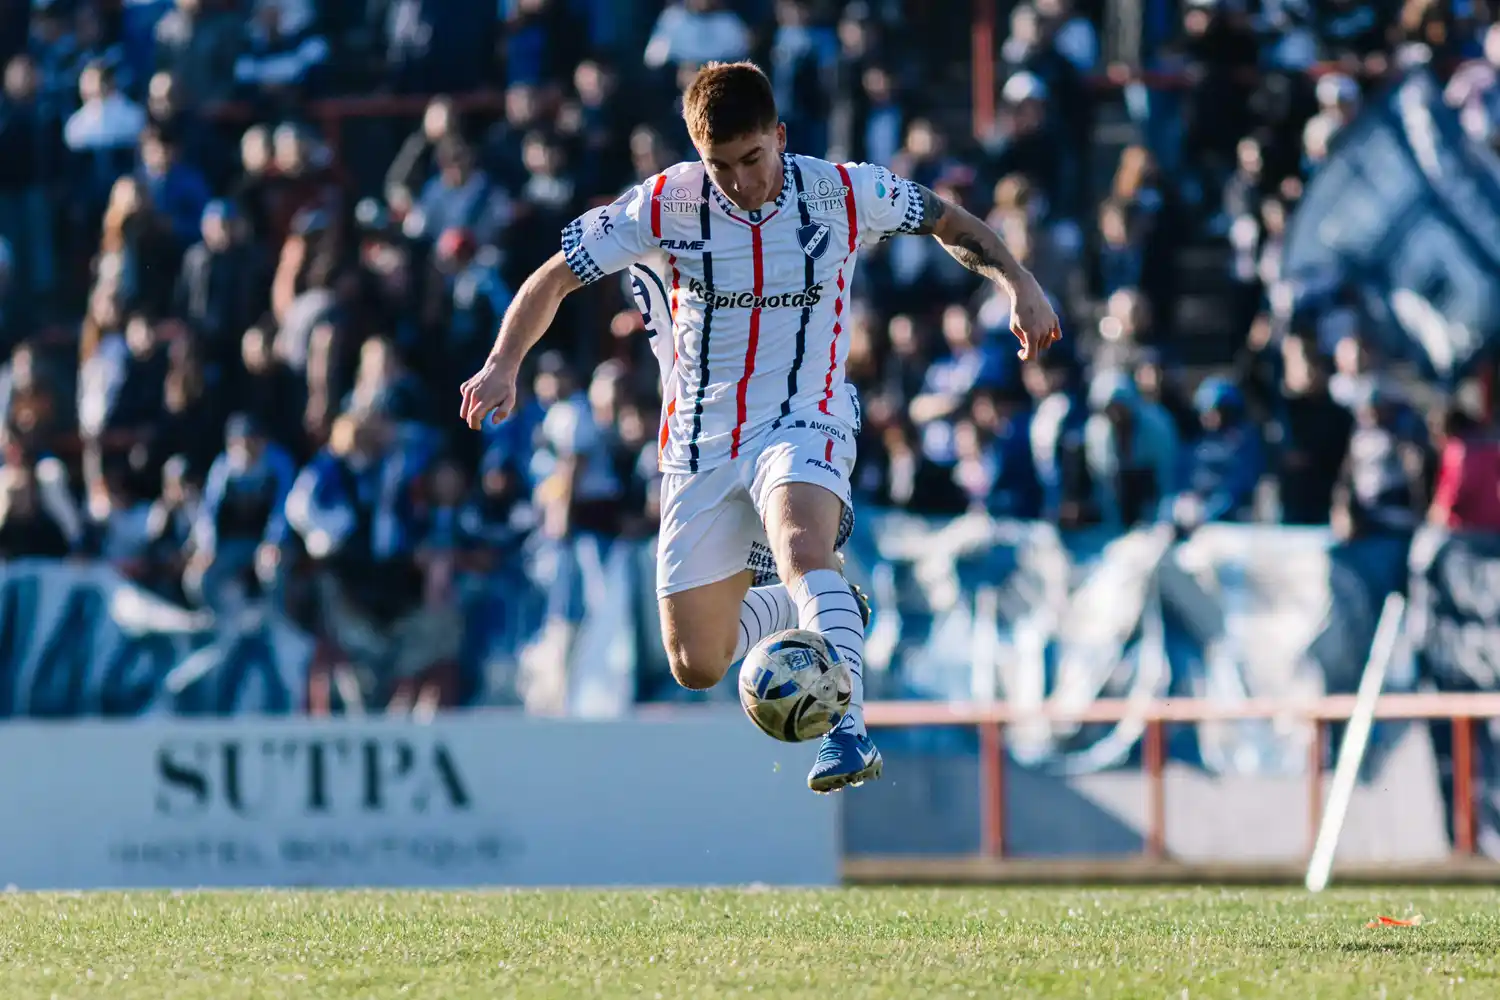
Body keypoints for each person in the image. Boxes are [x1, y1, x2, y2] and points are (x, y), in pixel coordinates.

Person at [459, 61, 1059, 793]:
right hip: (699, 443)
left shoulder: (842, 192)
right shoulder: (664, 205)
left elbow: (947, 220)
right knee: (696, 663)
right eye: (720, 166)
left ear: (780, 135)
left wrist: (1020, 283)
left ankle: (847, 730)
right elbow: (554, 276)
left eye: (752, 158)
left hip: (805, 416)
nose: (740, 181)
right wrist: (502, 364)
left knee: (802, 547)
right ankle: (826, 606)